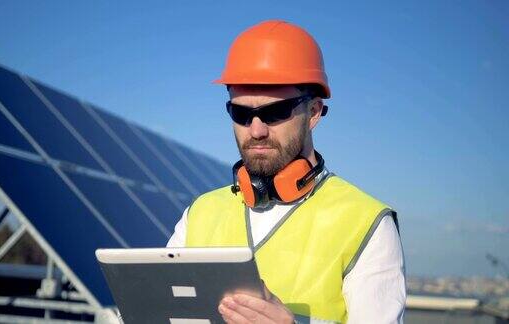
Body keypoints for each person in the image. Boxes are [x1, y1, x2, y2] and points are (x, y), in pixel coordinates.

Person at [167, 20, 406, 324]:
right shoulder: (199, 213)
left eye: (275, 113)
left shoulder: (367, 224)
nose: (255, 130)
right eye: (241, 114)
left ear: (314, 113)